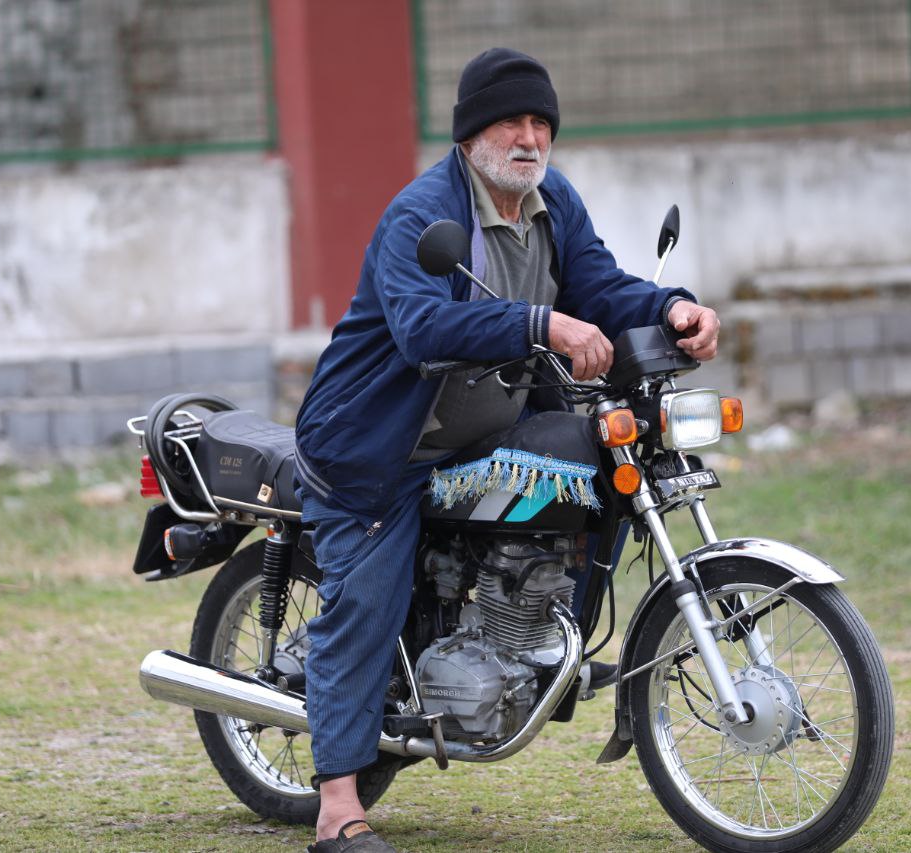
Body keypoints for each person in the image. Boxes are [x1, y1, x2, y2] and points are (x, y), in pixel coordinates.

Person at [294, 47, 720, 852]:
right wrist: (539, 323)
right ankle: (337, 808)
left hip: (484, 427)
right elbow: (423, 326)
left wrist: (673, 309)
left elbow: (599, 286)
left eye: (539, 123)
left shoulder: (553, 201)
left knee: (597, 466)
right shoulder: (422, 216)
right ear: (469, 135)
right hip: (379, 444)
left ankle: (541, 640)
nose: (528, 138)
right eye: (509, 122)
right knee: (367, 601)